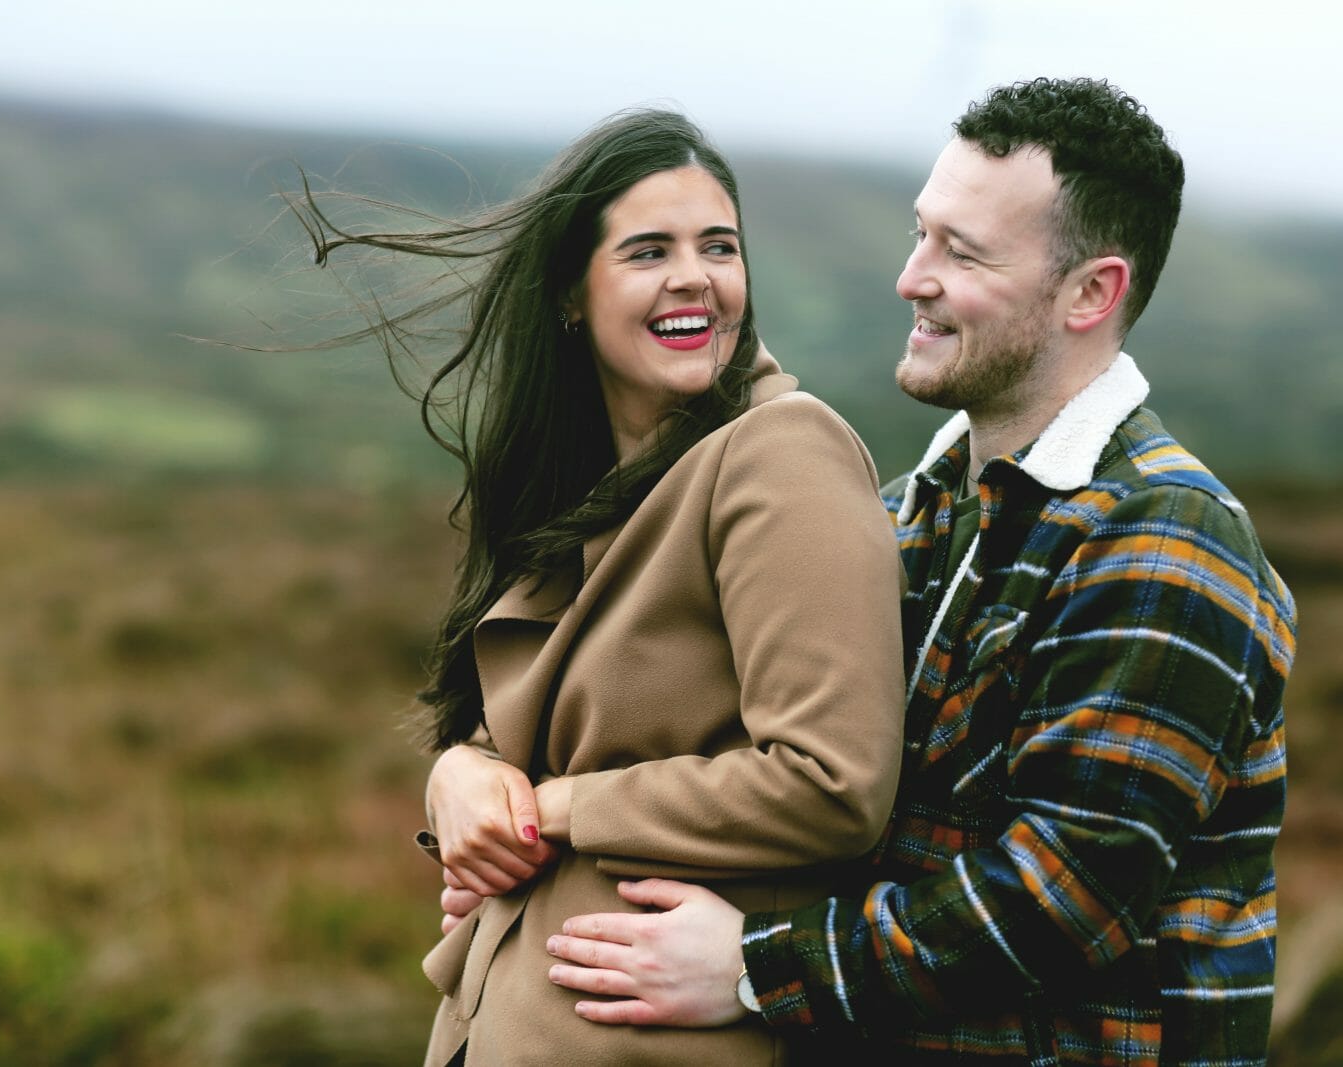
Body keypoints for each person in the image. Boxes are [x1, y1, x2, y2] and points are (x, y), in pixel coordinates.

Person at [517, 78, 1298, 1063]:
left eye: (959, 251)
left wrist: (754, 965)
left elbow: (1057, 898)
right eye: (920, 232)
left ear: (1090, 293)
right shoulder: (903, 510)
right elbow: (749, 752)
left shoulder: (1164, 542)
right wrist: (480, 786)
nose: (910, 276)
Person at [321, 110, 908, 1066]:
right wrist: (459, 773)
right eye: (648, 251)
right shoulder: (587, 487)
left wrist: (547, 807)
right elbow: (540, 725)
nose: (694, 276)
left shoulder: (779, 451)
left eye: (718, 246)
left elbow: (831, 781)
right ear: (570, 295)